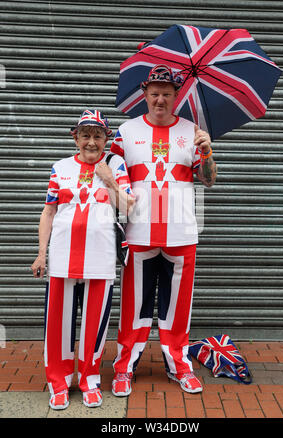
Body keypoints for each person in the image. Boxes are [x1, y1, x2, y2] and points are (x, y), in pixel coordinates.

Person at [110, 64, 217, 396]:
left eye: (166, 94)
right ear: (145, 95)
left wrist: (207, 152)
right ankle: (125, 367)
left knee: (177, 307)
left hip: (181, 234)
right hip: (139, 233)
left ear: (176, 96)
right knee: (134, 307)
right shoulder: (125, 132)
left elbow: (209, 179)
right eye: (154, 93)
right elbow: (111, 176)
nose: (160, 100)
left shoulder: (193, 131)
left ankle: (178, 365)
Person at [31, 109, 135, 410]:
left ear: (106, 139)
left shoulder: (115, 167)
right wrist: (41, 254)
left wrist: (110, 180)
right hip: (63, 259)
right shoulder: (60, 168)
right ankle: (59, 382)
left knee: (94, 325)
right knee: (58, 326)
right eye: (85, 135)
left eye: (97, 136)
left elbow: (130, 207)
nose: (91, 142)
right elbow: (48, 212)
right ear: (75, 138)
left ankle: (90, 379)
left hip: (100, 261)